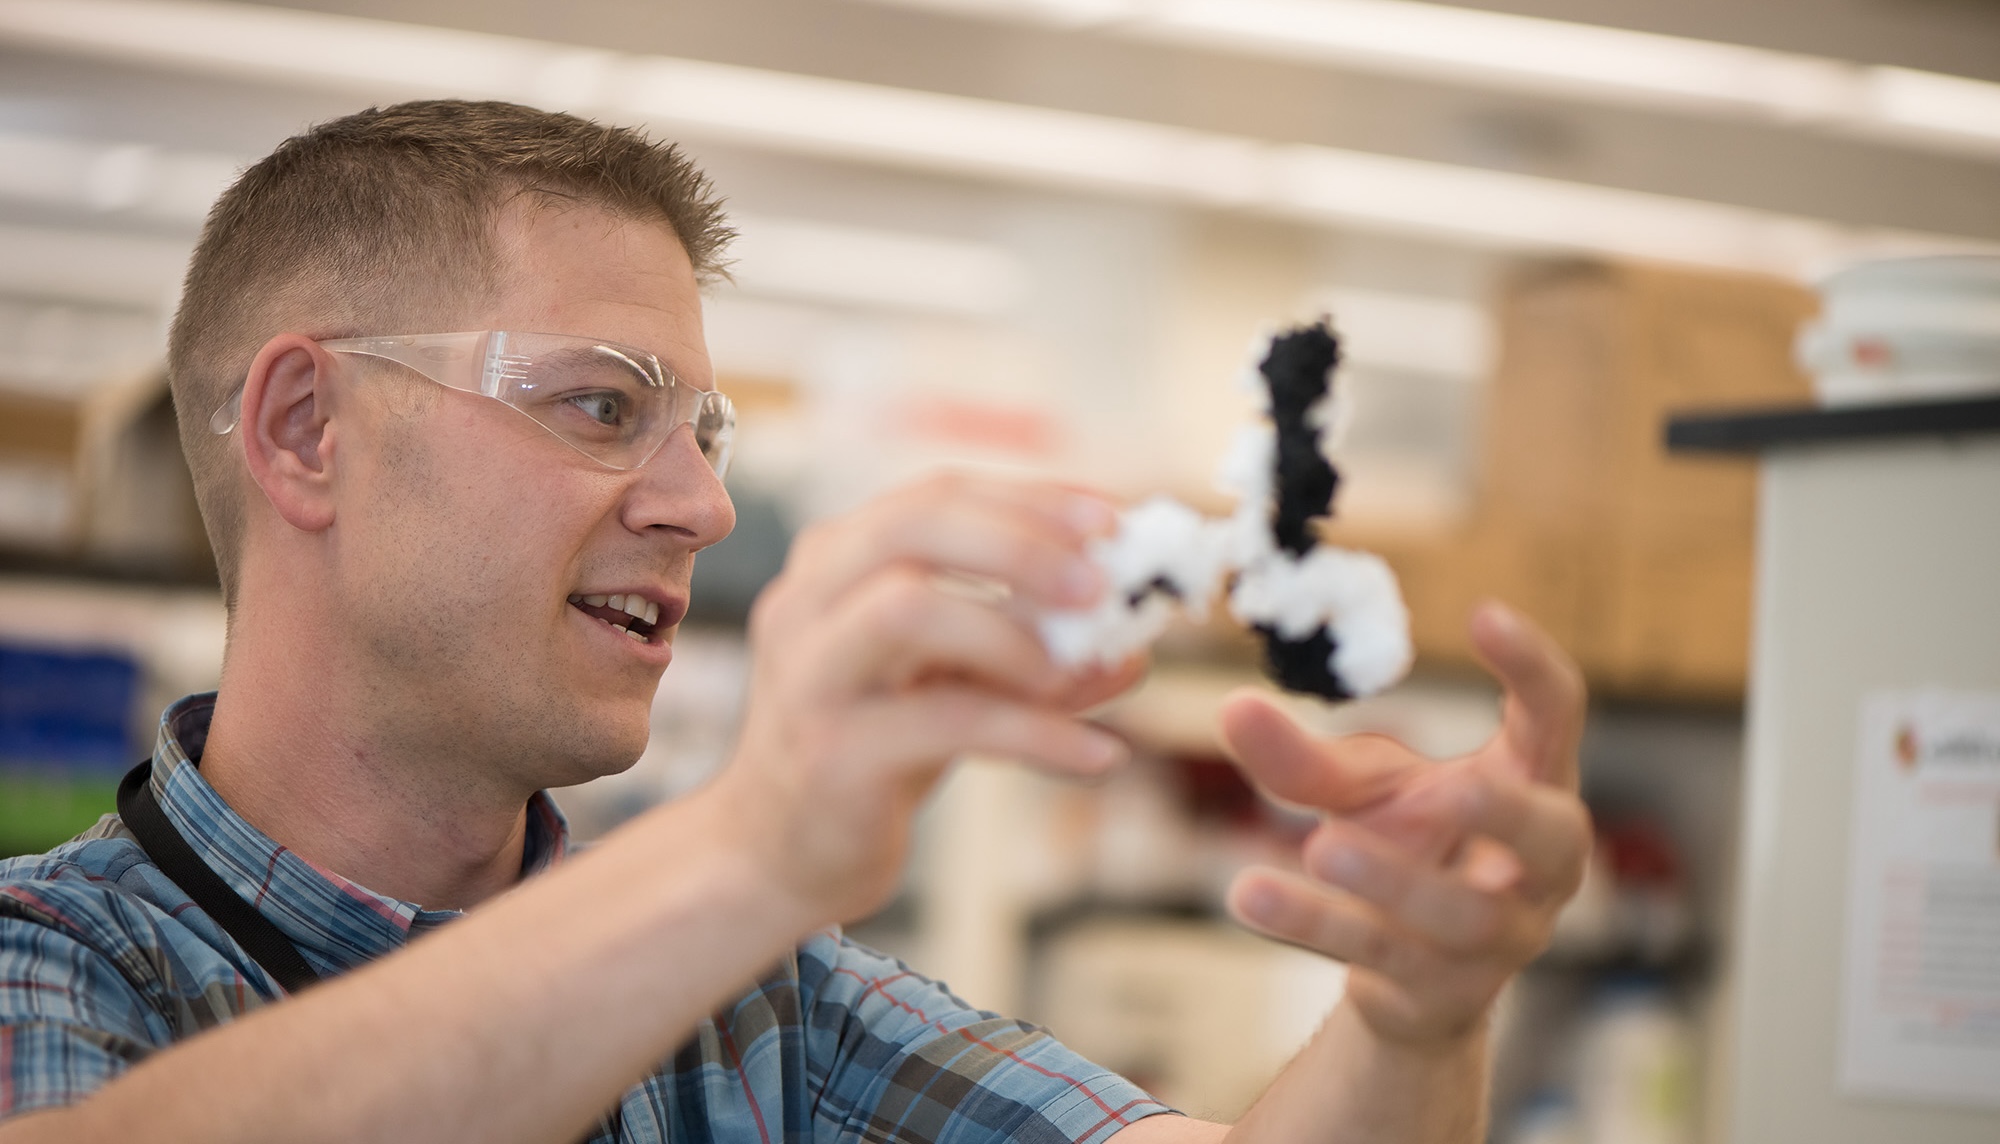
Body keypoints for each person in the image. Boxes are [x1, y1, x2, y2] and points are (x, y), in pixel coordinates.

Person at [0, 100, 1590, 1144]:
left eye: (705, 432)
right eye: (601, 407)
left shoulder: (762, 1013)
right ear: (303, 433)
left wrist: (1413, 1019)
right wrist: (750, 843)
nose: (698, 505)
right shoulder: (53, 964)